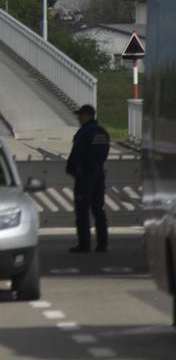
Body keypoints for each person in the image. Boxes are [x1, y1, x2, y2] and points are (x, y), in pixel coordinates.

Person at [66, 104, 110, 253]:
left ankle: (84, 244)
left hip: (85, 176)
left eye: (80, 115)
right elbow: (103, 153)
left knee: (82, 211)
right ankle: (102, 244)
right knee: (98, 209)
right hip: (98, 174)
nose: (78, 118)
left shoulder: (84, 132)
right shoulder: (102, 132)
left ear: (87, 116)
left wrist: (74, 169)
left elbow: (77, 154)